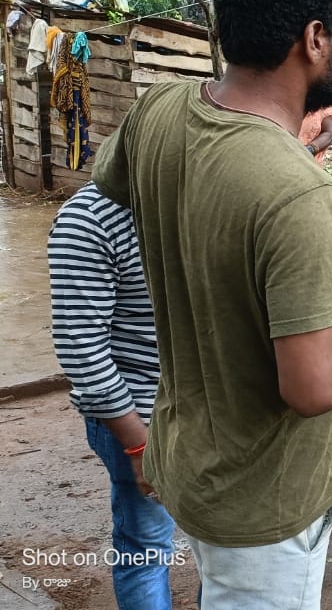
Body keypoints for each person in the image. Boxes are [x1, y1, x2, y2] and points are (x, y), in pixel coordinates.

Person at [91, 0, 332, 610]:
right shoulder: (296, 193)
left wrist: (286, 145)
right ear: (313, 39)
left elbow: (117, 182)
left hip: (188, 456)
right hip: (261, 501)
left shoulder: (160, 109)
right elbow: (315, 384)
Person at [48, 182, 175, 609]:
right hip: (141, 415)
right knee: (147, 545)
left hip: (216, 411)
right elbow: (82, 348)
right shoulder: (91, 216)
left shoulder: (211, 196)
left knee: (225, 544)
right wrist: (138, 443)